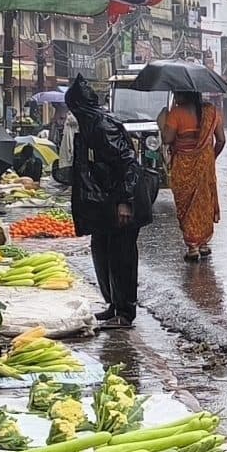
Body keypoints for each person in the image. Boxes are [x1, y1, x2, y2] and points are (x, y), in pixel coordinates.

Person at [67, 77, 150, 327]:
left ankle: (124, 313)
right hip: (106, 202)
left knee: (121, 257)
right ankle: (114, 304)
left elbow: (128, 164)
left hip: (122, 202)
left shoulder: (102, 126)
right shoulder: (91, 124)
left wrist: (125, 201)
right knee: (103, 252)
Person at [160, 88, 226, 260]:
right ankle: (203, 244)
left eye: (176, 94)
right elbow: (221, 140)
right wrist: (209, 157)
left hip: (183, 165)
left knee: (186, 205)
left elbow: (167, 139)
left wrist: (162, 121)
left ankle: (193, 248)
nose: (175, 97)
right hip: (205, 165)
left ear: (182, 95)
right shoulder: (211, 111)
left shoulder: (176, 113)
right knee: (204, 203)